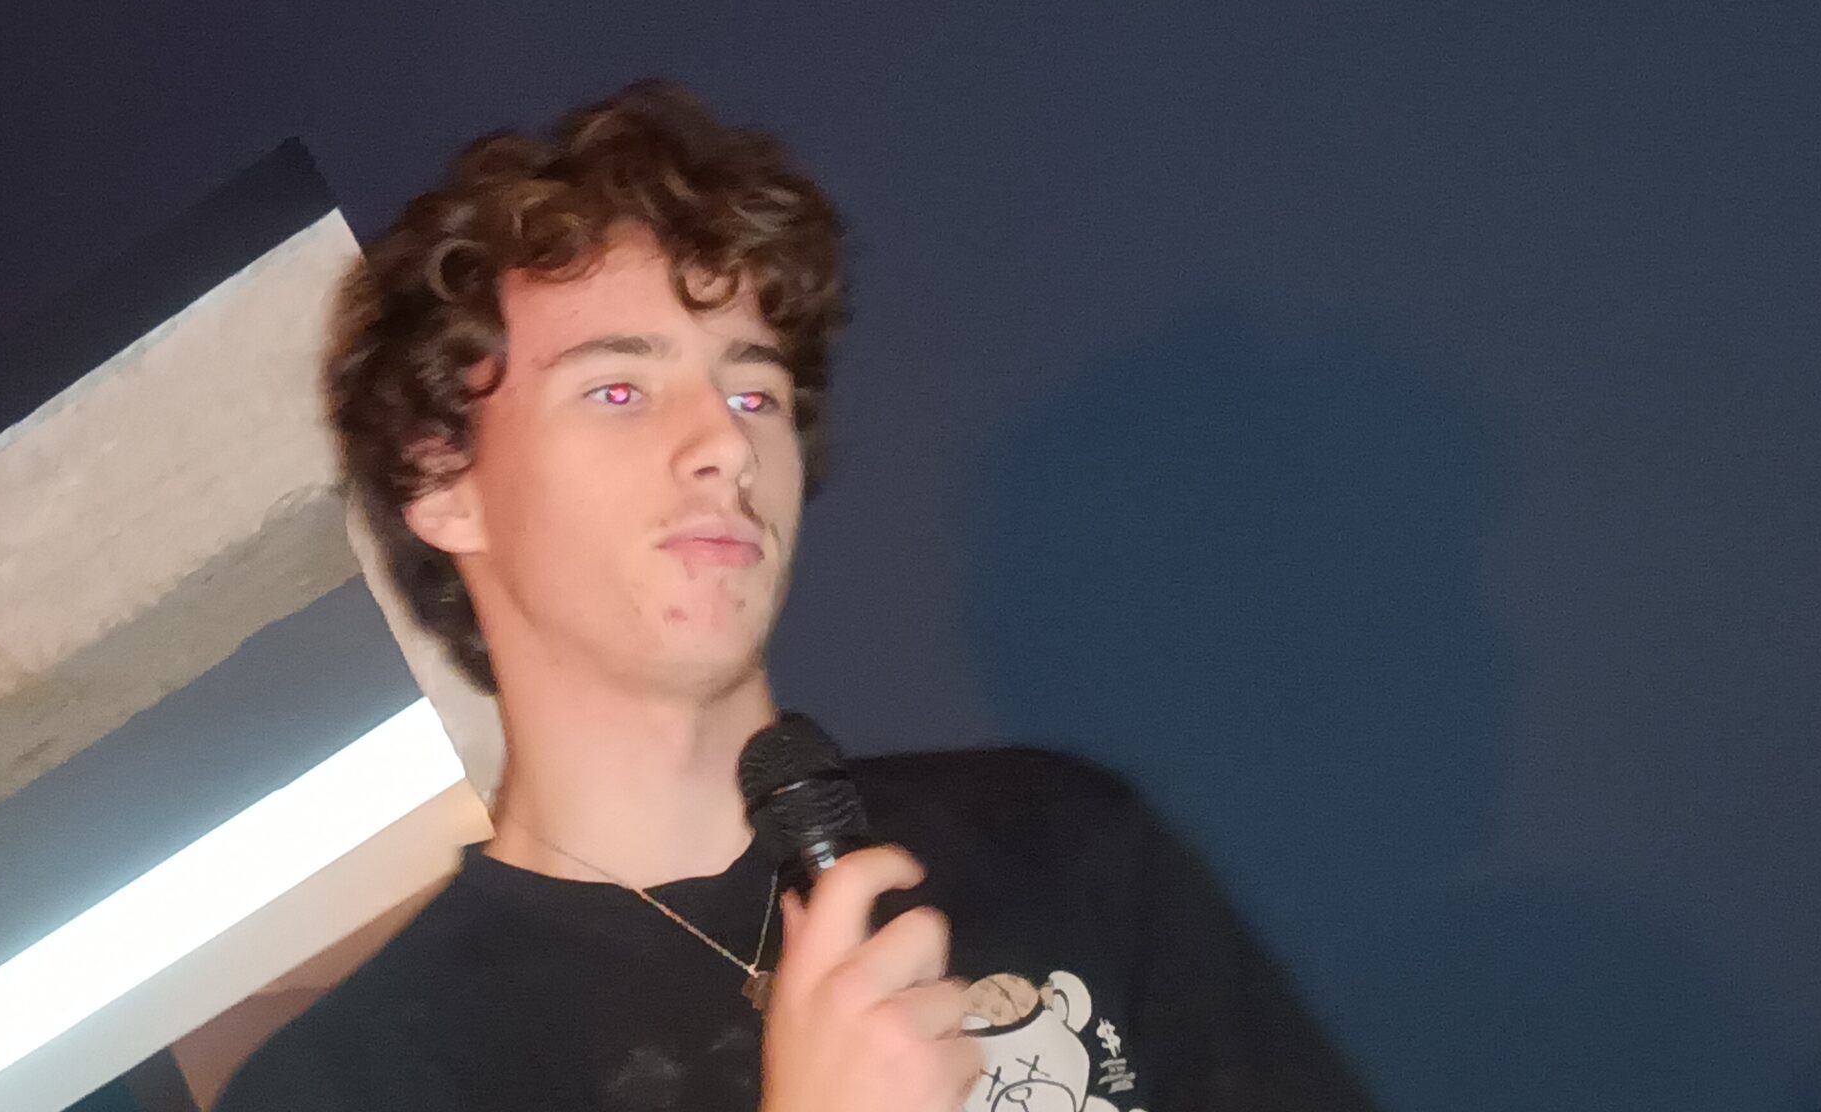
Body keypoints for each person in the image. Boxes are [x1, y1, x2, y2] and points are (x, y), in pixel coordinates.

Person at [216, 81, 1372, 1112]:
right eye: (618, 390)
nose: (724, 442)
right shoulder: (352, 1084)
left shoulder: (1065, 843)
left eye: (753, 394)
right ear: (442, 481)